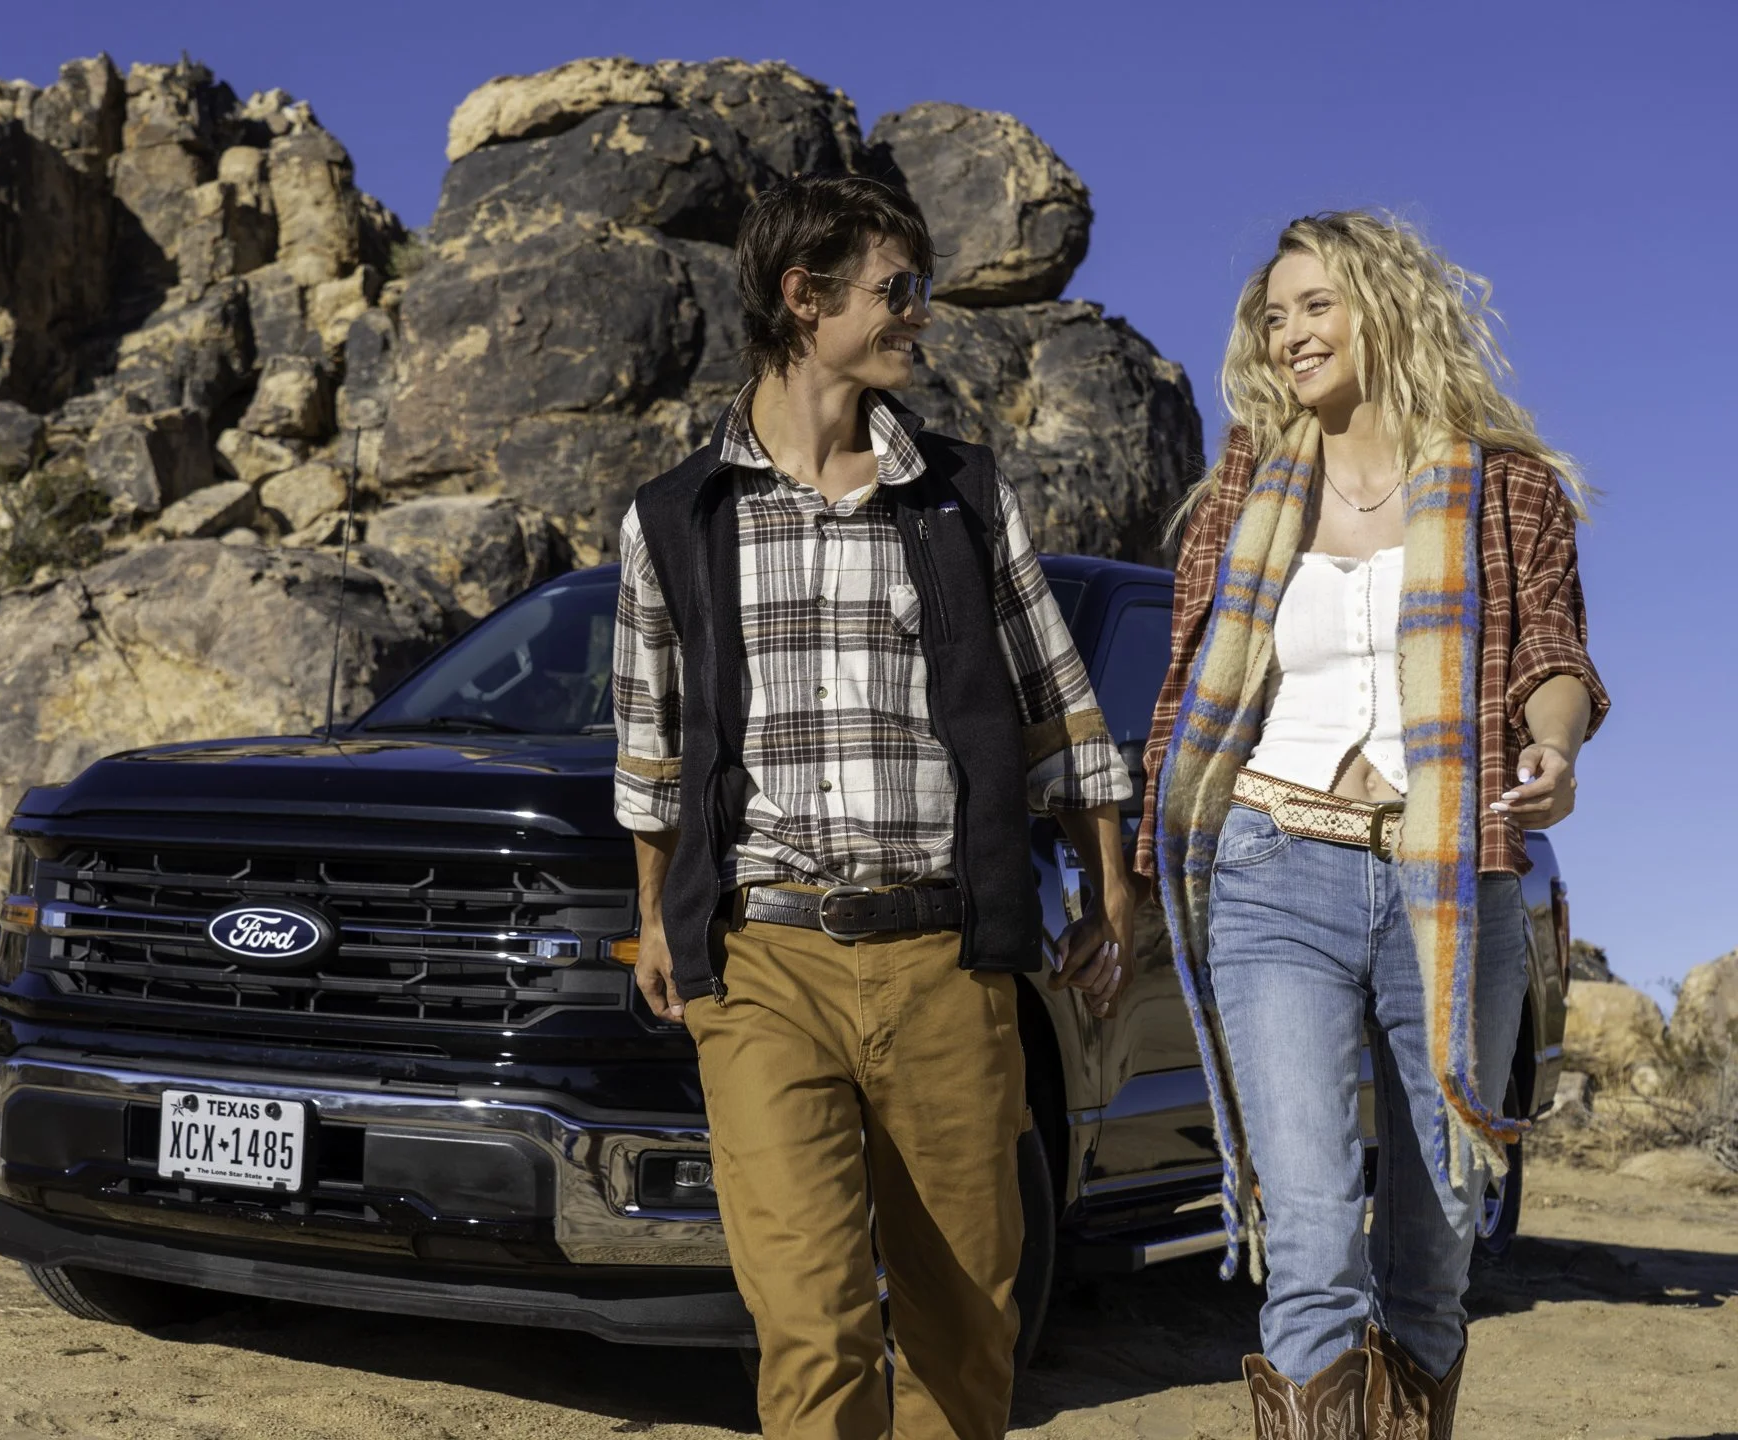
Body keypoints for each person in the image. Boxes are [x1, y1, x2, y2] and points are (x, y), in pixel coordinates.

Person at [612, 173, 1137, 1439]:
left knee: (964, 1329)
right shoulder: (676, 518)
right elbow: (651, 754)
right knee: (814, 1319)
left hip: (945, 960)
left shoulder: (961, 497)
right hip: (765, 959)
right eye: (900, 290)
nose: (922, 315)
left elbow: (1057, 708)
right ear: (806, 298)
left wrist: (1110, 887)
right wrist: (659, 918)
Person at [1138, 210, 1608, 1438]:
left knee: (1432, 1250)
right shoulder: (1248, 485)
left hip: (1447, 877)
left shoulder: (1504, 484)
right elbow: (1192, 678)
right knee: (1307, 1234)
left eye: (1316, 306)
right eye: (1273, 316)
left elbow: (1553, 653)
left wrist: (1554, 745)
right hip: (1273, 863)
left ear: (1385, 309)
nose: (1289, 334)